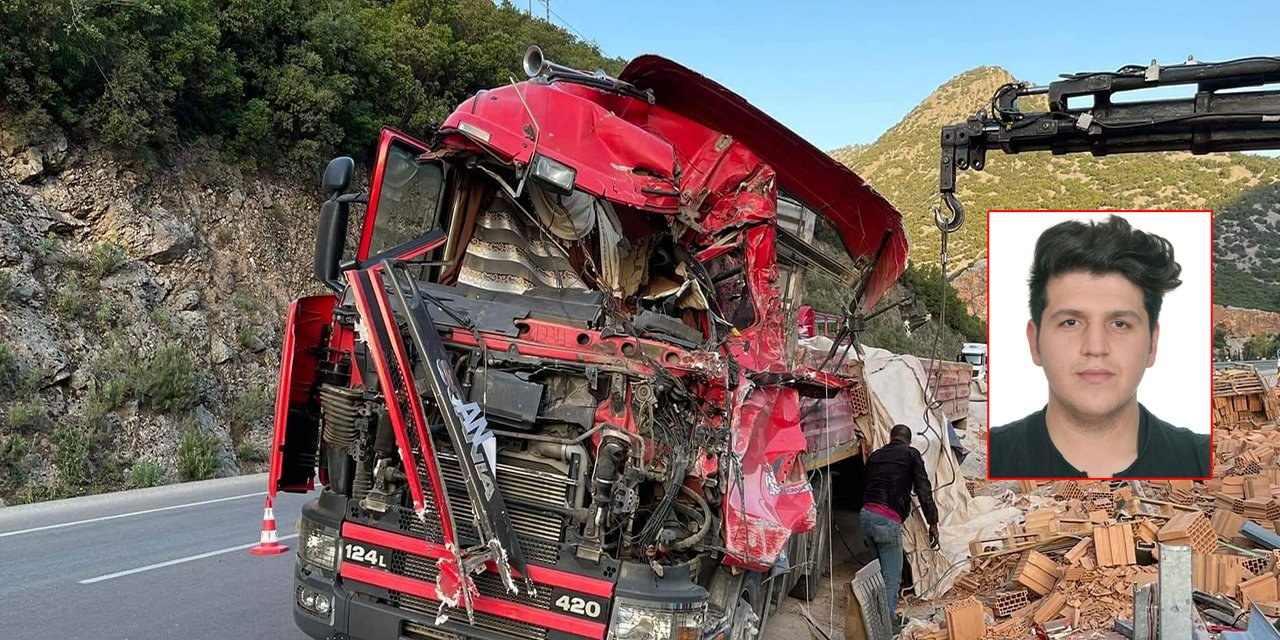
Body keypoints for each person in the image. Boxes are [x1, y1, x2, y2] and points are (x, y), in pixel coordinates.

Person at [990, 215, 1210, 478]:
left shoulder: (1203, 459)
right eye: (1071, 322)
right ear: (1034, 342)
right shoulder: (990, 458)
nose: (1095, 347)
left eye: (1119, 324)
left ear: (1152, 344)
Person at [860, 424, 939, 628]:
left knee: (875, 577)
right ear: (909, 441)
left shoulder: (876, 455)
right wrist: (933, 523)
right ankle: (884, 628)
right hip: (887, 520)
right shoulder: (911, 455)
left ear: (891, 438)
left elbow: (866, 484)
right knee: (891, 578)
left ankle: (871, 621)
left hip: (866, 516)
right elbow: (924, 490)